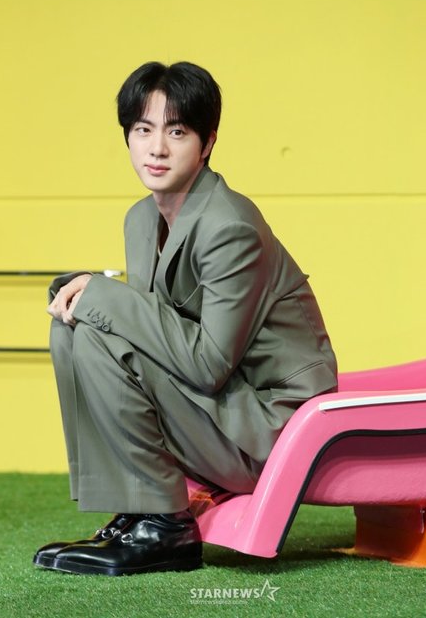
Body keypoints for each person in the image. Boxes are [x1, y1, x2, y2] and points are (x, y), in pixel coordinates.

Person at [33, 61, 337, 576]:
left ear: (207, 143)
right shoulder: (140, 218)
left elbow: (208, 364)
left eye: (176, 132)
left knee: (101, 322)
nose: (156, 148)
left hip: (272, 433)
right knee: (76, 329)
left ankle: (165, 526)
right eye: (143, 130)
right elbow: (151, 333)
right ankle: (138, 512)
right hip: (218, 413)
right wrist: (93, 301)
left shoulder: (229, 225)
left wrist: (106, 297)